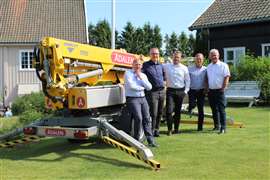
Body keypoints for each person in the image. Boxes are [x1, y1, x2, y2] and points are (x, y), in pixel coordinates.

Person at [124, 58, 158, 147]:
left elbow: (149, 87)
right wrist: (142, 87)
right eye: (136, 64)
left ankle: (151, 141)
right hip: (132, 98)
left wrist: (140, 78)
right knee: (138, 118)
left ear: (141, 66)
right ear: (132, 65)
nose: (137, 66)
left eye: (139, 64)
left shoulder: (143, 75)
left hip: (143, 98)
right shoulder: (128, 73)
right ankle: (136, 140)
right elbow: (131, 86)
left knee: (147, 118)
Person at [163, 51, 190, 135]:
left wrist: (185, 91)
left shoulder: (184, 68)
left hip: (180, 91)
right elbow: (157, 65)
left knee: (178, 112)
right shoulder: (166, 66)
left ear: (180, 58)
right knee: (169, 111)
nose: (176, 58)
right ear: (172, 57)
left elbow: (188, 80)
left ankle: (176, 129)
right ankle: (169, 129)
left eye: (178, 57)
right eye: (174, 57)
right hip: (170, 91)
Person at [142, 48, 165, 137]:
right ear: (150, 55)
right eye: (153, 53)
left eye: (157, 54)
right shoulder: (145, 65)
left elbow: (163, 76)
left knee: (160, 112)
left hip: (162, 91)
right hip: (152, 92)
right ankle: (150, 130)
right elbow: (141, 76)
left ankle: (157, 129)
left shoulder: (161, 65)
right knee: (153, 113)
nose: (155, 55)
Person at [207, 49, 230, 134]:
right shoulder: (209, 66)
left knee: (221, 109)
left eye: (215, 55)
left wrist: (223, 88)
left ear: (218, 55)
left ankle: (223, 128)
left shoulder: (223, 65)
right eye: (212, 55)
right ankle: (216, 126)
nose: (214, 56)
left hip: (220, 90)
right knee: (214, 110)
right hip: (211, 91)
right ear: (210, 57)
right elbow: (208, 79)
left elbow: (227, 77)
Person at [188, 53, 207, 131]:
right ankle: (191, 108)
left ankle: (200, 127)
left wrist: (207, 88)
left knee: (201, 110)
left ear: (202, 60)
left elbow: (207, 79)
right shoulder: (189, 69)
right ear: (195, 60)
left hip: (201, 91)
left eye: (200, 59)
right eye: (197, 59)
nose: (198, 60)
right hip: (192, 90)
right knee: (192, 104)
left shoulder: (205, 69)